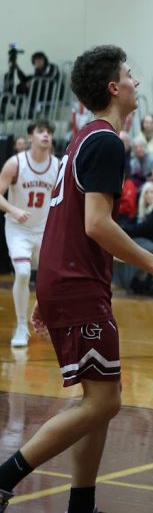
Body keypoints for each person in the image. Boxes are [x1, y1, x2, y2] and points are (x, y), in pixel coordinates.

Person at [0, 46, 153, 513]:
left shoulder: (82, 139)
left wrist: (48, 285)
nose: (136, 82)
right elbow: (97, 224)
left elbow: (66, 220)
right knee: (103, 402)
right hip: (77, 284)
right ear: (113, 88)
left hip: (68, 280)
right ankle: (4, 479)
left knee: (101, 398)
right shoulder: (104, 141)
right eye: (130, 74)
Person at [0, 118, 59, 347]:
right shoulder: (15, 164)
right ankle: (22, 326)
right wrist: (14, 210)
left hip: (44, 229)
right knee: (23, 272)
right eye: (41, 131)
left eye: (49, 132)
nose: (46, 135)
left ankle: (48, 321)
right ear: (30, 137)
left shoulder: (57, 165)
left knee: (53, 279)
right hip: (18, 229)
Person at [114, 183, 153, 292]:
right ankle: (122, 281)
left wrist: (120, 228)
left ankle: (123, 282)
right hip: (148, 242)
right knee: (131, 245)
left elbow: (141, 229)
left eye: (152, 192)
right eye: (146, 192)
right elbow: (133, 224)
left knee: (133, 248)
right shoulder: (146, 212)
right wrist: (120, 227)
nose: (149, 195)